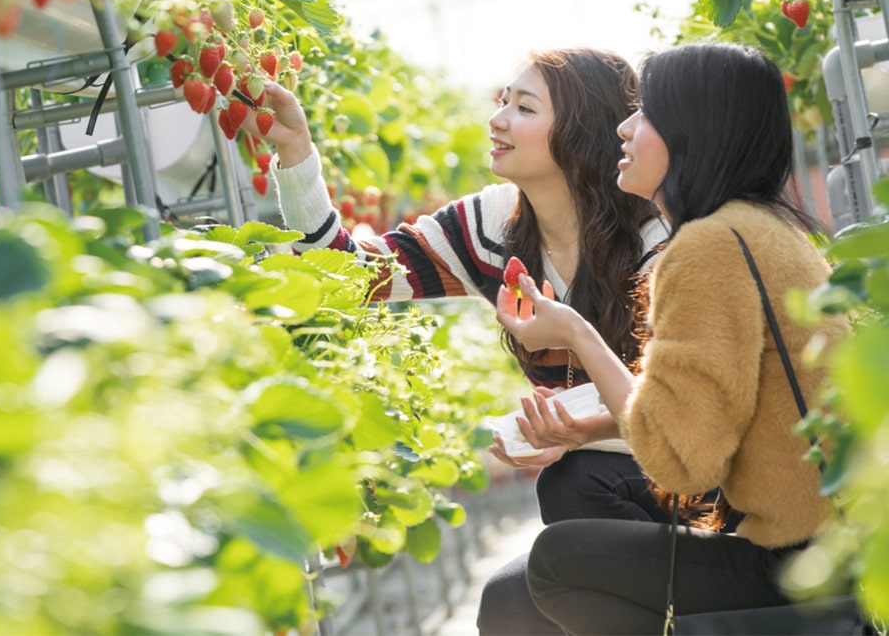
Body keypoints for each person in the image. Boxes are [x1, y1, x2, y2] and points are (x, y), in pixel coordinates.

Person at [243, 49, 670, 633]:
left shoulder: (655, 232)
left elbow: (675, 395)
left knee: (572, 486)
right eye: (501, 101)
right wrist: (294, 154)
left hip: (688, 481)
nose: (497, 118)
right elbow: (348, 277)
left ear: (579, 131)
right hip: (603, 478)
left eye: (523, 107)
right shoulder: (496, 226)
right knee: (505, 607)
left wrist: (569, 424)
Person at [496, 41, 846, 633]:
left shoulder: (709, 249)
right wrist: (593, 422)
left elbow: (681, 460)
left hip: (801, 564)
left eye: (645, 114)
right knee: (532, 558)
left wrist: (577, 333)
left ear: (692, 131)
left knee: (555, 565)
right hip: (819, 542)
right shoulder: (757, 229)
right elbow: (721, 419)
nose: (624, 130)